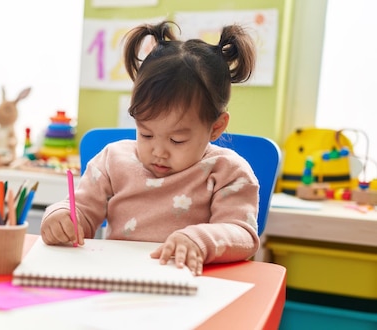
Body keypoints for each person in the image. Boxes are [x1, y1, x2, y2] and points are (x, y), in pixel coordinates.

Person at [40, 20, 259, 276]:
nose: (159, 151)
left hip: (190, 286)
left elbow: (242, 233)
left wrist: (200, 240)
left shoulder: (227, 171)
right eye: (146, 134)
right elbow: (82, 210)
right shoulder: (113, 159)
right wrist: (63, 217)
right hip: (118, 279)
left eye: (177, 140)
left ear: (216, 127)